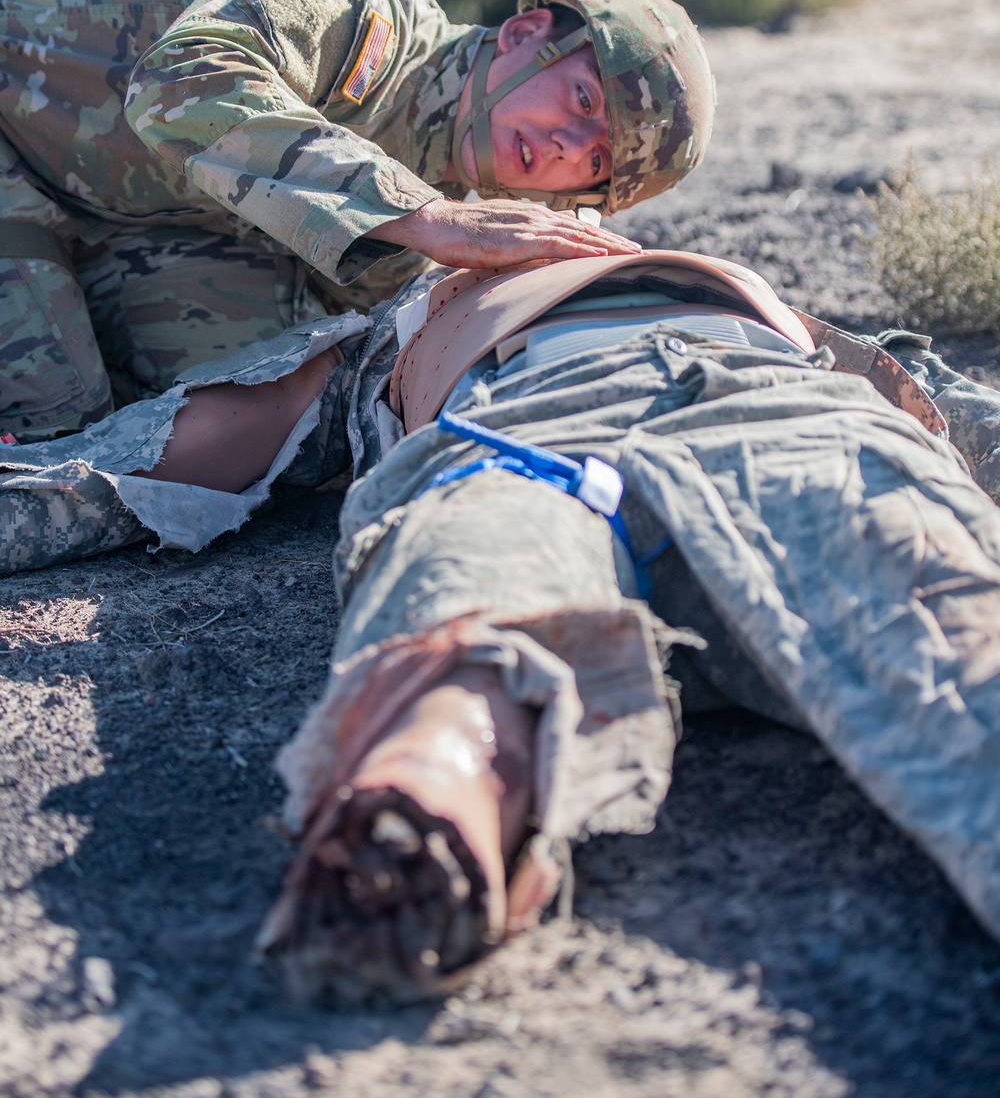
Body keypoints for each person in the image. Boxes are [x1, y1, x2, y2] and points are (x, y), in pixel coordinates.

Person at [4, 248, 1000, 1009]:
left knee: (950, 618)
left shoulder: (786, 313)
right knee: (465, 640)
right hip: (517, 435)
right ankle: (417, 832)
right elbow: (168, 450)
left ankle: (436, 786)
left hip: (781, 413)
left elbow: (949, 410)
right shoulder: (386, 330)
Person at [0, 0, 714, 442]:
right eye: (583, 100)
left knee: (262, 398)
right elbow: (180, 81)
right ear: (526, 34)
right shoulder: (355, 0)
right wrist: (426, 216)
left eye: (593, 163)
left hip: (74, 202)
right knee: (55, 420)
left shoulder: (421, 221)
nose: (565, 141)